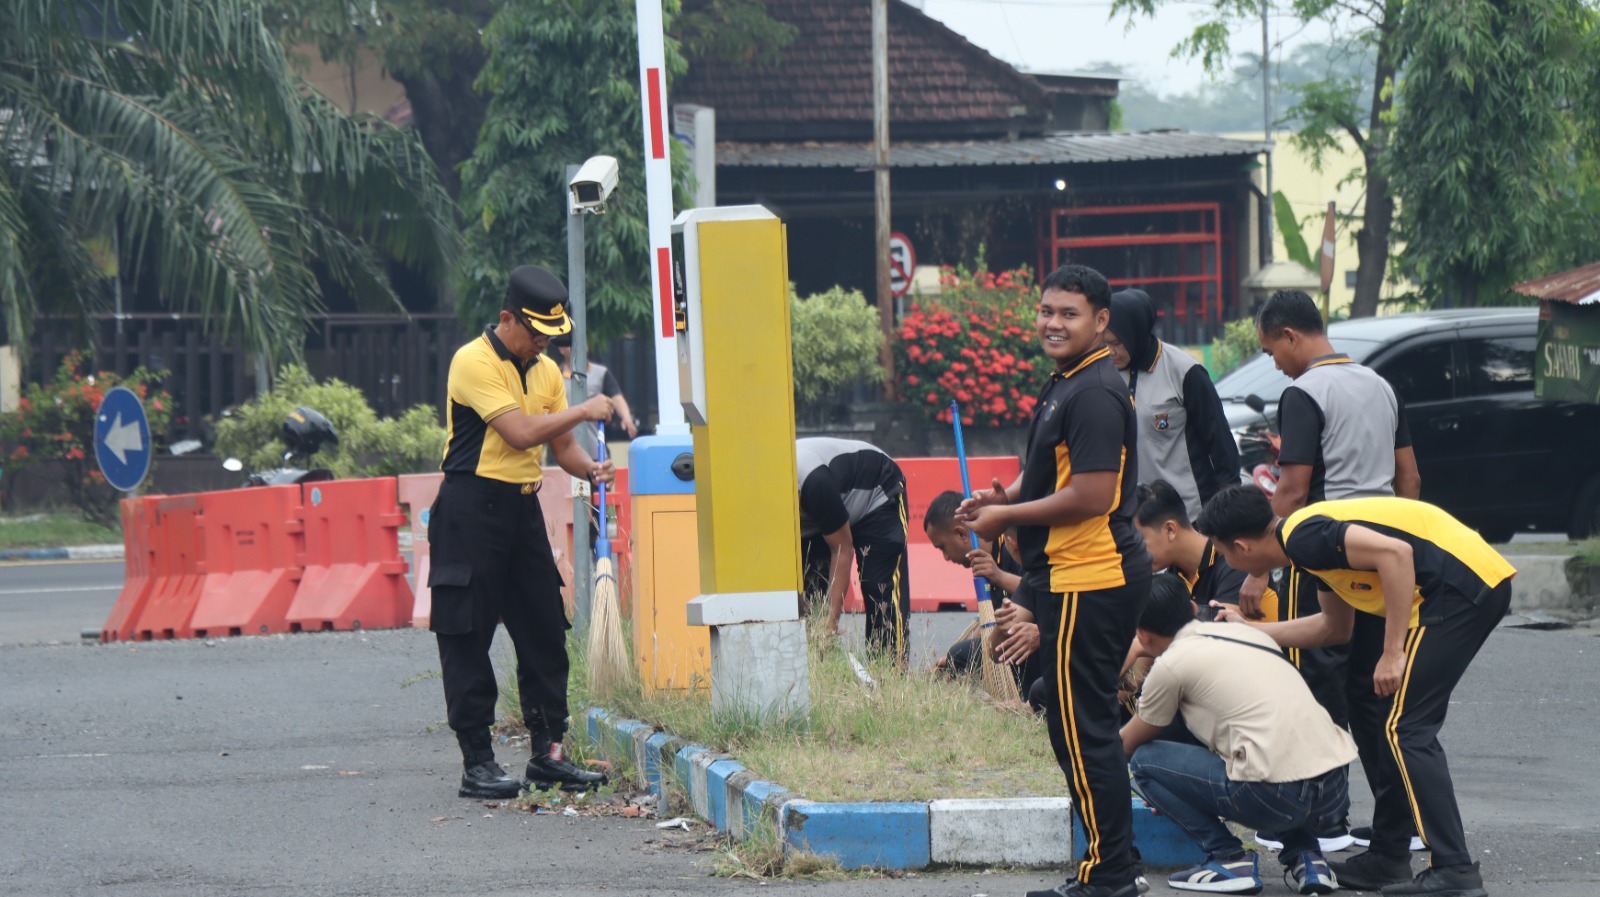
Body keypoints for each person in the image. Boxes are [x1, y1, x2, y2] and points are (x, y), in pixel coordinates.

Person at [1196, 485, 1514, 897]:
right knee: (1396, 727)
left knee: (1407, 730)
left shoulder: (1302, 535)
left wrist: (1392, 651)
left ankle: (1454, 869)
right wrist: (1250, 631)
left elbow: (1395, 555)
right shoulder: (1305, 553)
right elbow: (1333, 628)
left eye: (1223, 553)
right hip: (1460, 585)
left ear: (1240, 547)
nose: (1227, 561)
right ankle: (1388, 855)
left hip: (1459, 586)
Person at [958, 264, 1152, 897]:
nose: (1052, 322)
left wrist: (1007, 514)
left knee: (1082, 726)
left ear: (1101, 321)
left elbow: (1094, 495)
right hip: (1072, 574)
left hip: (1090, 576)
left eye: (1069, 313)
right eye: (1046, 310)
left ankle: (1111, 874)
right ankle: (1112, 862)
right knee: (1074, 723)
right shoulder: (1067, 382)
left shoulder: (1094, 391)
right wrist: (1002, 494)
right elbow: (1053, 473)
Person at [1244, 288, 1423, 851]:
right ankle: (1401, 823)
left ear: (1291, 336)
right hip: (1384, 551)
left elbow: (1293, 489)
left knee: (1315, 684)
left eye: (1272, 350)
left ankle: (1323, 821)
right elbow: (1409, 481)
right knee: (1377, 694)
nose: (1274, 362)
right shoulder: (1379, 384)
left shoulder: (1303, 392)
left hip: (1324, 552)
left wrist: (1259, 566)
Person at [428, 265, 616, 799]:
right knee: (467, 636)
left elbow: (560, 449)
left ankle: (549, 753)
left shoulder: (546, 373)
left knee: (544, 630)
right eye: (534, 334)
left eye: (550, 337)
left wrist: (589, 469)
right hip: (469, 510)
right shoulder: (473, 361)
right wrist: (582, 409)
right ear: (507, 317)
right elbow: (517, 434)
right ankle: (478, 762)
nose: (541, 345)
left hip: (522, 512)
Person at [1121, 573, 1351, 895]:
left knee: (1146, 763)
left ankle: (1229, 858)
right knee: (1272, 753)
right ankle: (1309, 859)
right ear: (1190, 606)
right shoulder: (1245, 634)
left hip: (1274, 798)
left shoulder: (1170, 665)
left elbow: (1127, 747)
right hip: (1335, 789)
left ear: (1141, 635)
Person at [1103, 288, 1239, 521]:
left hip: (1190, 516)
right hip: (1133, 518)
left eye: (1117, 343)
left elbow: (1220, 444)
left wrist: (1225, 511)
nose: (1110, 351)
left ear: (1135, 333)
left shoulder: (1185, 372)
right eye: (1105, 343)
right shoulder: (1105, 374)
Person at [796, 437, 911, 664]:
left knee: (877, 586)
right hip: (820, 514)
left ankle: (890, 673)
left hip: (876, 493)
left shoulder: (812, 482)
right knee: (812, 594)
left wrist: (830, 621)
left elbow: (842, 549)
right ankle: (818, 672)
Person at [923, 490, 1040, 700]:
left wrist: (1000, 577)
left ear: (961, 533)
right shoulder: (985, 563)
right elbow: (992, 620)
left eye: (943, 547)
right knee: (959, 655)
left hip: (1038, 638)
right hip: (1007, 641)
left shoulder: (1013, 546)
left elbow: (1044, 588)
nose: (946, 557)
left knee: (960, 654)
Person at [1133, 479, 1276, 618]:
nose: (1130, 552)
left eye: (1137, 540)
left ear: (1170, 530)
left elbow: (1220, 631)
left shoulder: (1234, 558)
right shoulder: (1171, 579)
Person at [549, 332, 638, 438]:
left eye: (582, 342)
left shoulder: (600, 373)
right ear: (561, 349)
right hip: (564, 446)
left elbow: (616, 396)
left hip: (596, 447)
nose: (577, 346)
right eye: (571, 343)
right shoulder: (554, 376)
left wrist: (626, 418)